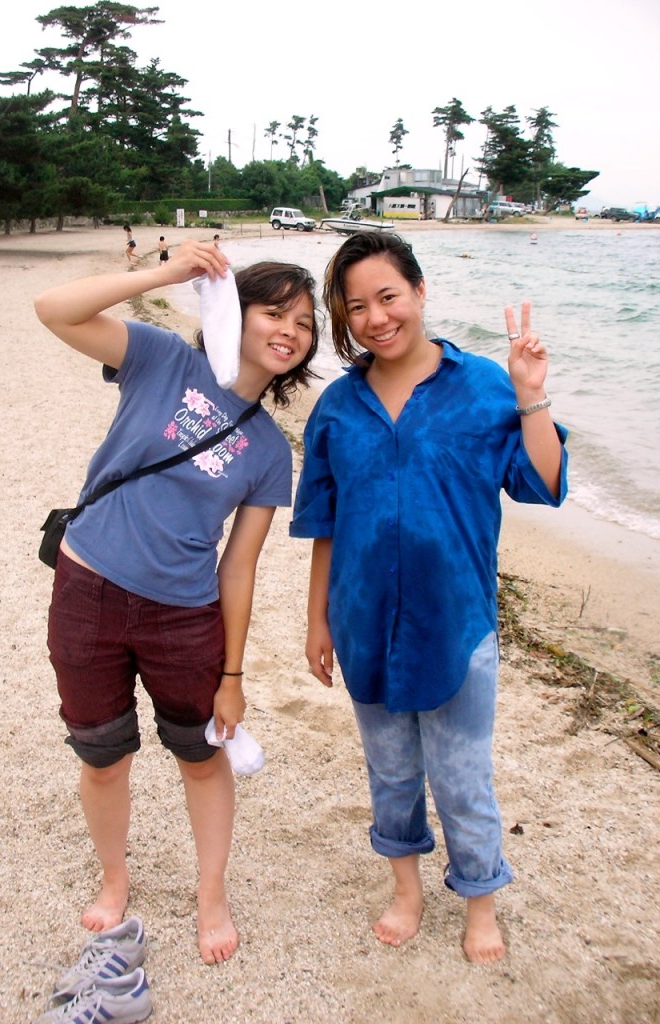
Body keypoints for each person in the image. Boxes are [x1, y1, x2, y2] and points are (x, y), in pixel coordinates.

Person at [34, 239, 319, 966]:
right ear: (235, 310)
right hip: (89, 587)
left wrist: (233, 677)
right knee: (101, 755)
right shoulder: (165, 360)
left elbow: (239, 571)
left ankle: (212, 891)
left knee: (201, 755)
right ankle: (115, 876)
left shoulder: (266, 452)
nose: (289, 329)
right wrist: (169, 274)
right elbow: (53, 309)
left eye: (304, 323)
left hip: (183, 616)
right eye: (273, 311)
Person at [290, 231, 567, 964]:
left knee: (462, 776)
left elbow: (541, 480)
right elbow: (324, 521)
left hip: (456, 622)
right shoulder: (338, 408)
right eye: (358, 307)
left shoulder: (481, 387)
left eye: (389, 297)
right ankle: (406, 891)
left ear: (418, 292)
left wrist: (531, 394)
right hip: (361, 622)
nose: (377, 318)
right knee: (389, 771)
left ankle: (480, 899)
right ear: (343, 319)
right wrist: (316, 617)